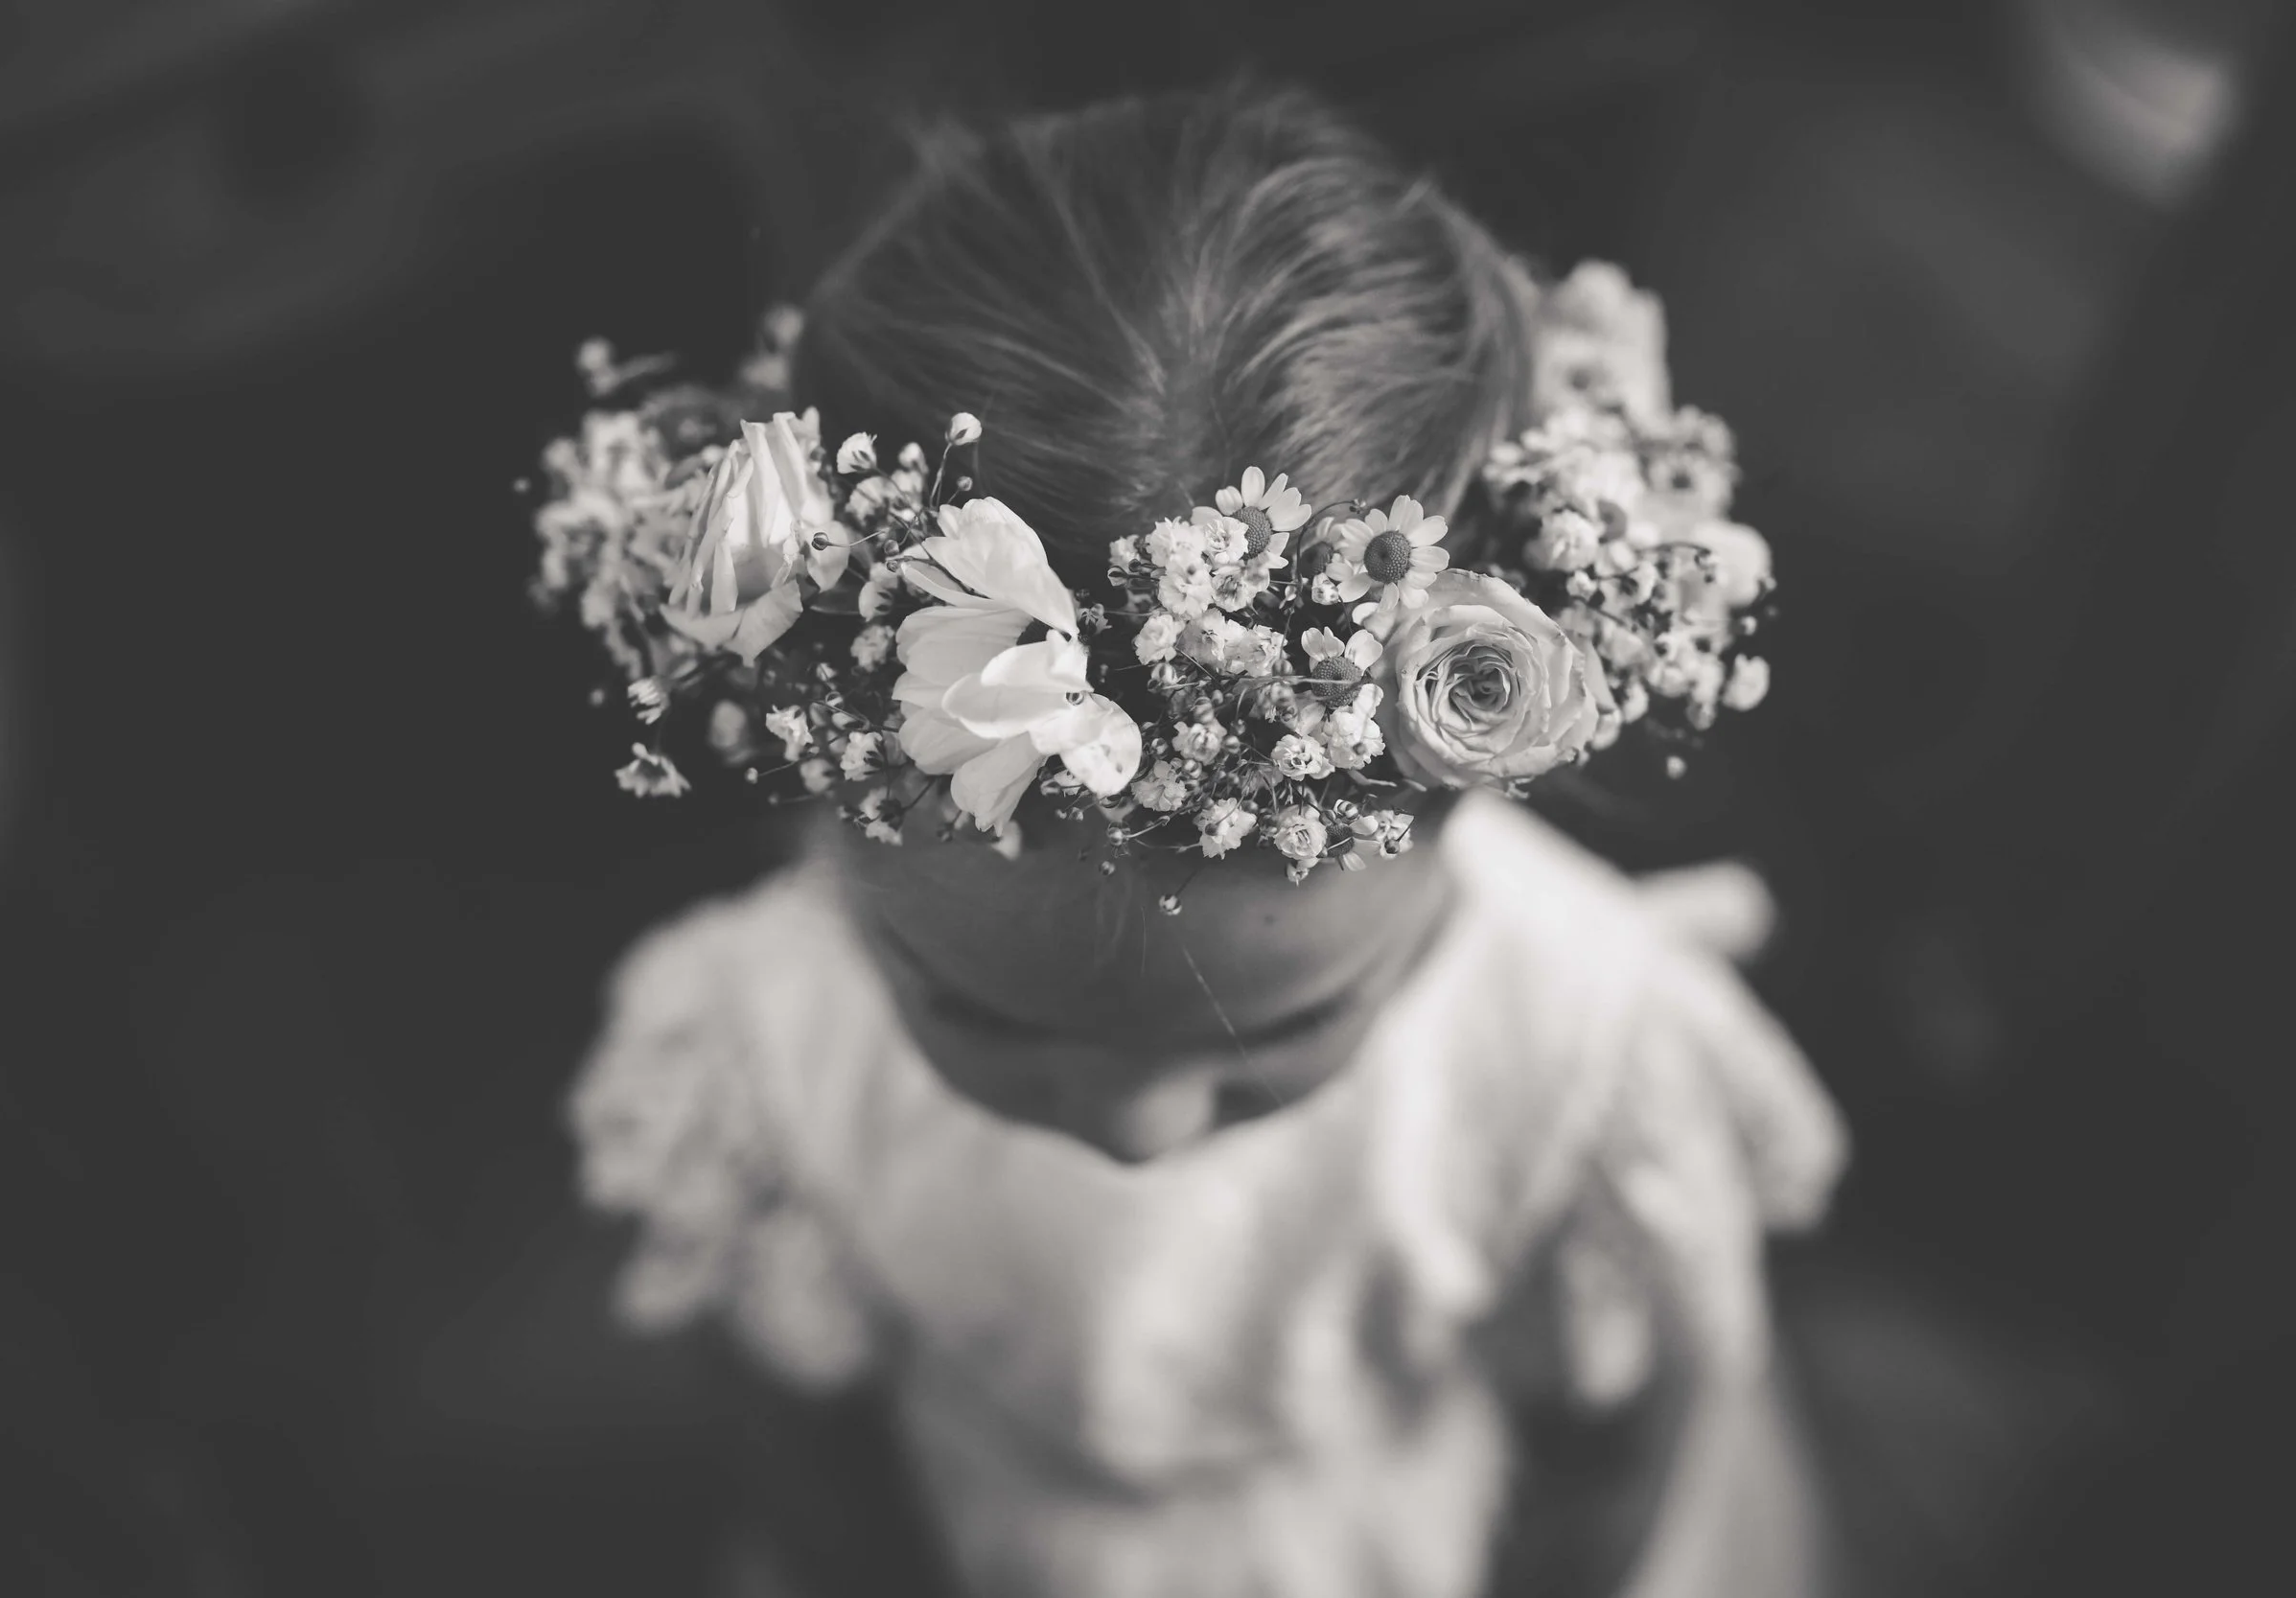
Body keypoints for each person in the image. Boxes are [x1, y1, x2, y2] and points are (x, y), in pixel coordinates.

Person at [546, 85, 1846, 1598]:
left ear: (1479, 751)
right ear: (825, 778)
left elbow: (1622, 1458)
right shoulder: (763, 1047)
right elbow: (802, 1453)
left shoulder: (1573, 1049)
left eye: (1295, 1019)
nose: (1135, 1132)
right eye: (967, 1005)